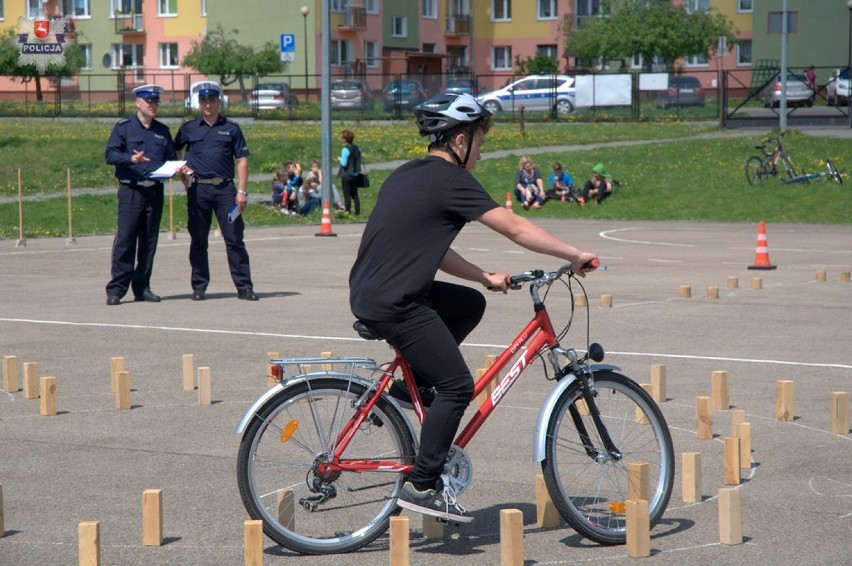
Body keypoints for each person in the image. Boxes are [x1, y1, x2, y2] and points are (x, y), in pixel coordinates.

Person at [348, 92, 598, 523]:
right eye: (479, 142)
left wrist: (483, 276)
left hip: (374, 290)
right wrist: (573, 254)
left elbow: (429, 247)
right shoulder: (451, 180)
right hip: (397, 301)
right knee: (457, 387)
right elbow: (514, 227)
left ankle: (411, 389)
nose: (480, 151)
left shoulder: (408, 174)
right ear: (459, 140)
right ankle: (424, 485)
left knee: (468, 303)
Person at [175, 81, 258, 302]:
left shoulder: (231, 128)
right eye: (204, 100)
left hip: (225, 190)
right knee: (198, 240)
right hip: (198, 189)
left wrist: (242, 190)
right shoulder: (189, 126)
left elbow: (242, 159)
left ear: (219, 102)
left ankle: (244, 287)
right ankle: (199, 286)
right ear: (199, 103)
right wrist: (181, 172)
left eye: (212, 100)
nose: (208, 104)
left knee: (234, 240)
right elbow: (175, 149)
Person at [104, 84, 176, 306]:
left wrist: (177, 168)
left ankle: (142, 287)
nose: (153, 106)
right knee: (126, 240)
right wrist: (130, 159)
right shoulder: (124, 128)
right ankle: (116, 289)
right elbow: (110, 154)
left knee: (149, 241)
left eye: (156, 102)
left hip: (154, 191)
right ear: (137, 103)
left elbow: (171, 158)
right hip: (131, 190)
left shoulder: (162, 131)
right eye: (149, 102)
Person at [336, 129, 363, 215]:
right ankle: (358, 211)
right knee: (355, 194)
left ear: (345, 139)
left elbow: (344, 163)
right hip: (356, 173)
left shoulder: (345, 149)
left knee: (347, 195)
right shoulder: (357, 148)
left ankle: (348, 211)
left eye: (342, 137)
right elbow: (359, 159)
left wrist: (339, 159)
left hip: (347, 174)